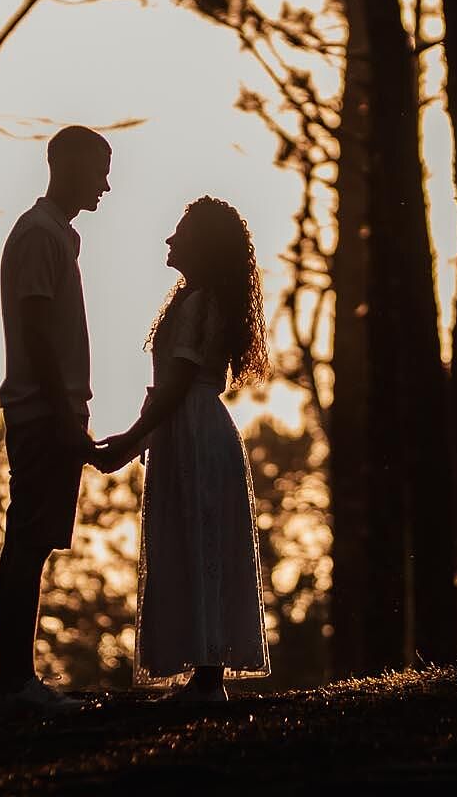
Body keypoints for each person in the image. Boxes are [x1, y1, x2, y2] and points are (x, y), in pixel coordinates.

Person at [95, 197, 270, 702]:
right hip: (185, 430)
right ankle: (203, 671)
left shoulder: (199, 303)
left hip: (192, 430)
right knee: (193, 537)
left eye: (180, 233)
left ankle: (209, 677)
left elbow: (174, 385)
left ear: (203, 245)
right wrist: (141, 439)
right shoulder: (195, 299)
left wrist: (130, 441)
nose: (170, 240)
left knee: (200, 537)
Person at [0, 125, 112, 712]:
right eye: (98, 171)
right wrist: (65, 415)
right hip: (43, 413)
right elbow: (36, 328)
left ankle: (17, 680)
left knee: (31, 541)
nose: (106, 186)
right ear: (62, 165)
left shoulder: (56, 236)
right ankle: (15, 683)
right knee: (28, 539)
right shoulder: (41, 235)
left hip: (49, 411)